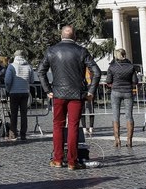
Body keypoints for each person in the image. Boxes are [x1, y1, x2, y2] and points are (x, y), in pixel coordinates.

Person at [38, 25, 101, 170]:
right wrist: (91, 91)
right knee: (73, 126)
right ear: (75, 37)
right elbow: (96, 72)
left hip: (58, 93)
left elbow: (41, 71)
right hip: (76, 94)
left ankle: (58, 159)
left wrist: (48, 90)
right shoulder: (81, 51)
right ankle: (73, 161)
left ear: (61, 36)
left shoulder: (52, 50)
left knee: (57, 125)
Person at [106, 48, 139, 147]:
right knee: (129, 116)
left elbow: (108, 80)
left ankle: (117, 140)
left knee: (115, 115)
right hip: (128, 92)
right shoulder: (131, 67)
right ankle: (129, 140)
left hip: (115, 91)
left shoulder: (112, 67)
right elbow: (135, 81)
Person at [4, 50, 35, 141]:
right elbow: (32, 80)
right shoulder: (29, 66)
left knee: (14, 114)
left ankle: (13, 134)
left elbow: (7, 80)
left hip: (14, 92)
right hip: (25, 92)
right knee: (23, 114)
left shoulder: (11, 66)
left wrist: (8, 89)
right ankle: (23, 134)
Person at [80, 67, 95, 136]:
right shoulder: (80, 67)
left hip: (90, 88)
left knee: (91, 108)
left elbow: (95, 77)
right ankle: (84, 127)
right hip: (82, 88)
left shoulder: (90, 68)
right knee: (82, 109)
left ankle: (91, 127)